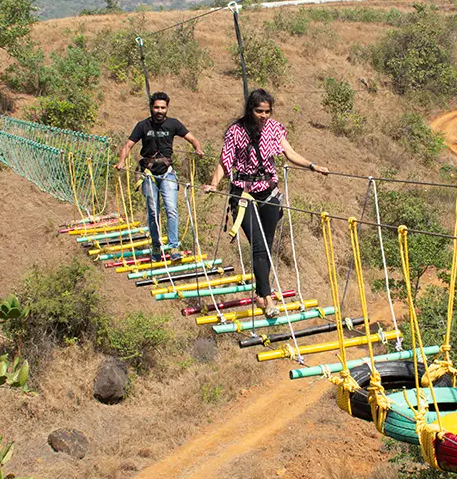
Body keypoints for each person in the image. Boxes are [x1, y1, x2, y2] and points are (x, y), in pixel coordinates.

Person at [203, 89, 328, 318]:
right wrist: (213, 184)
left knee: (267, 246)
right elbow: (225, 161)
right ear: (250, 109)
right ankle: (268, 299)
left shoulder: (274, 128)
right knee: (258, 245)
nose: (263, 115)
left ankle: (261, 293)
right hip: (243, 194)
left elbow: (289, 152)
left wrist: (312, 166)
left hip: (269, 193)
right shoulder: (236, 131)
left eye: (267, 111)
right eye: (259, 111)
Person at [116, 92, 203, 262]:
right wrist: (121, 162)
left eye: (163, 107)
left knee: (171, 209)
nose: (159, 111)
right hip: (148, 173)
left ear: (167, 108)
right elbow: (128, 145)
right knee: (153, 212)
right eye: (156, 107)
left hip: (167, 172)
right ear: (151, 107)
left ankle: (174, 247)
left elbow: (192, 138)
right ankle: (156, 246)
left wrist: (198, 149)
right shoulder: (143, 126)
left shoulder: (173, 124)